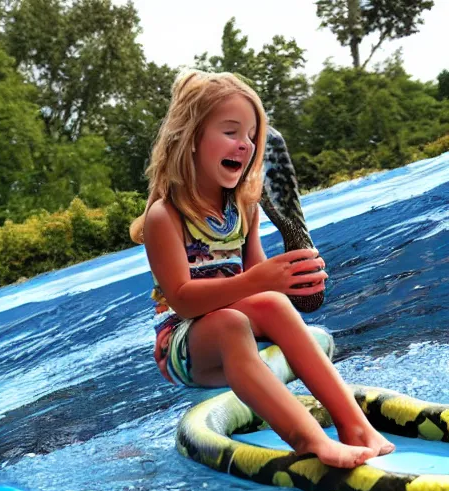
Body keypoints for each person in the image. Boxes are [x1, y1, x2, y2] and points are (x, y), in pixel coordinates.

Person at [130, 69, 395, 469]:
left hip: (231, 332)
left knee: (271, 304)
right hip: (184, 347)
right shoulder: (165, 217)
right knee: (234, 323)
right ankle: (307, 440)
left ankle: (354, 425)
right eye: (231, 132)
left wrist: (291, 281)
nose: (245, 144)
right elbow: (183, 301)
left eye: (252, 135)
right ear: (191, 138)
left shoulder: (244, 207)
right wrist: (258, 279)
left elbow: (257, 290)